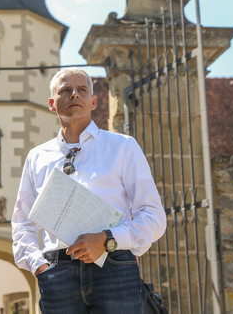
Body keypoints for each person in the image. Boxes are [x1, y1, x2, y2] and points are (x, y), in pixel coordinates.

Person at [11, 68, 167, 313]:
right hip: (57, 273)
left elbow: (154, 217)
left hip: (115, 268)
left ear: (93, 101)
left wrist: (109, 240)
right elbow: (22, 224)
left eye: (82, 90)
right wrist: (39, 266)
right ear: (52, 104)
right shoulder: (36, 157)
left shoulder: (123, 147)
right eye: (65, 90)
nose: (74, 95)